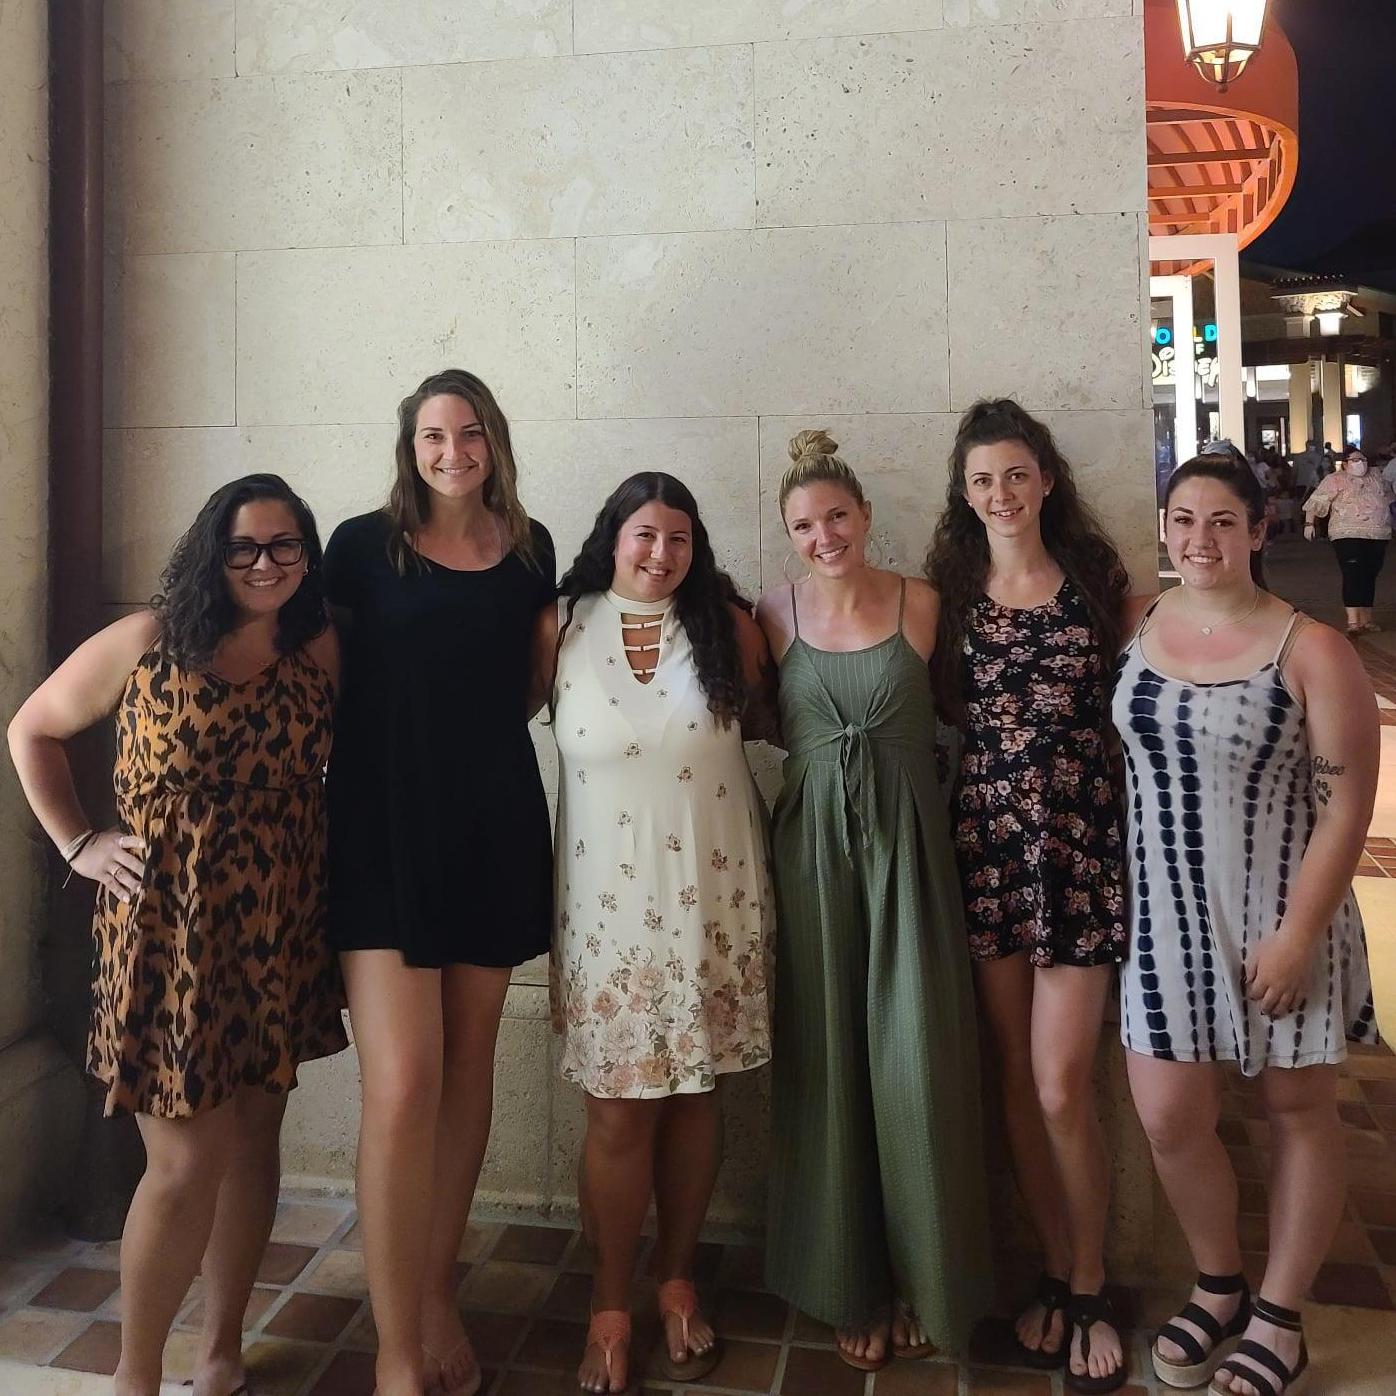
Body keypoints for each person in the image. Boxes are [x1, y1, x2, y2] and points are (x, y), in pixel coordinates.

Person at [7, 475, 347, 1396]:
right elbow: (31, 729)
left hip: (276, 925)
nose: (266, 563)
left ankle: (221, 1350)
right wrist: (78, 842)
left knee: (254, 1141)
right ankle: (138, 1374)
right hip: (165, 932)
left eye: (285, 545)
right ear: (212, 552)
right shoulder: (148, 640)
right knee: (186, 1160)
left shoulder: (318, 647)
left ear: (307, 555)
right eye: (245, 547)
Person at [1117, 453, 1378, 1396]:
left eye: (1224, 521)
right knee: (1169, 1116)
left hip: (1280, 914)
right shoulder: (1136, 622)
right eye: (1185, 519)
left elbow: (1346, 808)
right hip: (1162, 918)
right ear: (1165, 527)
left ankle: (1280, 1316)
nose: (1201, 539)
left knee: (1297, 1111)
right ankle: (1218, 1283)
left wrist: (1299, 932)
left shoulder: (1311, 649)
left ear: (1260, 532)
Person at [322, 369, 555, 1396]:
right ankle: (395, 1351)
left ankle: (431, 1289)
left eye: (468, 433)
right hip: (379, 826)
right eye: (432, 435)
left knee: (466, 1073)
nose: (452, 451)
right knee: (405, 1083)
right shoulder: (357, 546)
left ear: (492, 440)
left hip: (492, 825)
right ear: (409, 447)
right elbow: (322, 677)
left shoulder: (532, 551)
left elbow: (534, 686)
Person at [758, 430, 992, 1372]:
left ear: (864, 514)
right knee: (827, 1062)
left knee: (916, 1059)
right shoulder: (770, 614)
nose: (824, 536)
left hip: (911, 854)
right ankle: (848, 1283)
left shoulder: (922, 602)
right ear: (789, 535)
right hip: (813, 859)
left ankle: (927, 1279)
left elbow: (971, 717)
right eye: (804, 525)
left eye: (836, 516)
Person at [537, 473, 774, 1395]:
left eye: (679, 538)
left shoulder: (729, 626)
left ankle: (677, 1281)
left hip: (713, 902)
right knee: (617, 1110)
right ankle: (609, 1307)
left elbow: (788, 722)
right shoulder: (560, 626)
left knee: (695, 1098)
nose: (661, 553)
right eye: (644, 534)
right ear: (613, 537)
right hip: (605, 916)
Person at [925, 399, 1133, 1394]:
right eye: (981, 480)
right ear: (964, 497)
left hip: (1079, 853)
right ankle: (1055, 1268)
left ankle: (1091, 1280)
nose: (1000, 493)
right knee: (1013, 1077)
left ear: (1046, 478)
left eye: (1015, 473)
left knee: (1060, 1085)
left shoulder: (1097, 583)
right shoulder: (950, 596)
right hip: (988, 850)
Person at [1300, 445, 1392, 635]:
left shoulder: (1377, 476)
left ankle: (1366, 619)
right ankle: (1353, 622)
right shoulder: (1334, 479)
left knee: (1369, 575)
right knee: (1353, 573)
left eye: (1363, 460)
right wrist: (1309, 523)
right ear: (1345, 464)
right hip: (1346, 533)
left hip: (1377, 534)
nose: (1360, 464)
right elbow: (1316, 502)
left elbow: (1390, 498)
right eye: (1355, 460)